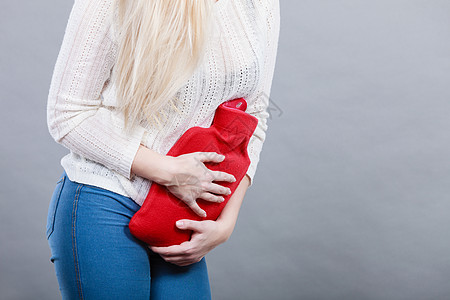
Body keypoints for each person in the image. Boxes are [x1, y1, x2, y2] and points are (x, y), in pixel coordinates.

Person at [45, 0, 280, 298]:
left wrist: (225, 222)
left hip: (180, 217)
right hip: (106, 199)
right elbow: (67, 114)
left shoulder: (259, 4)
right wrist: (170, 172)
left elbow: (255, 114)